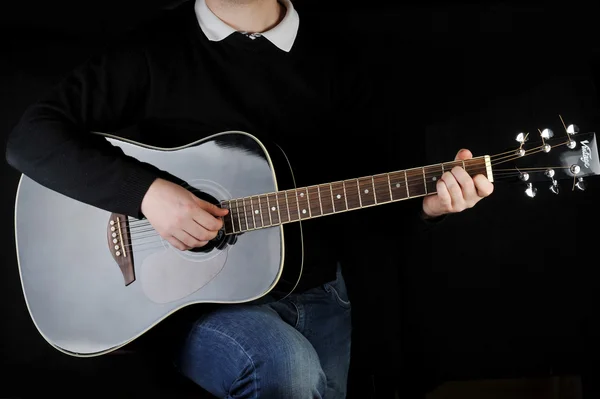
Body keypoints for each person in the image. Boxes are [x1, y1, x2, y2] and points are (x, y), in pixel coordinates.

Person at [5, 0, 493, 397]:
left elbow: (366, 188)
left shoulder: (338, 57)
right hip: (202, 303)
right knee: (287, 368)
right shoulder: (157, 49)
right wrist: (149, 195)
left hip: (320, 294)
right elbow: (31, 138)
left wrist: (428, 206)